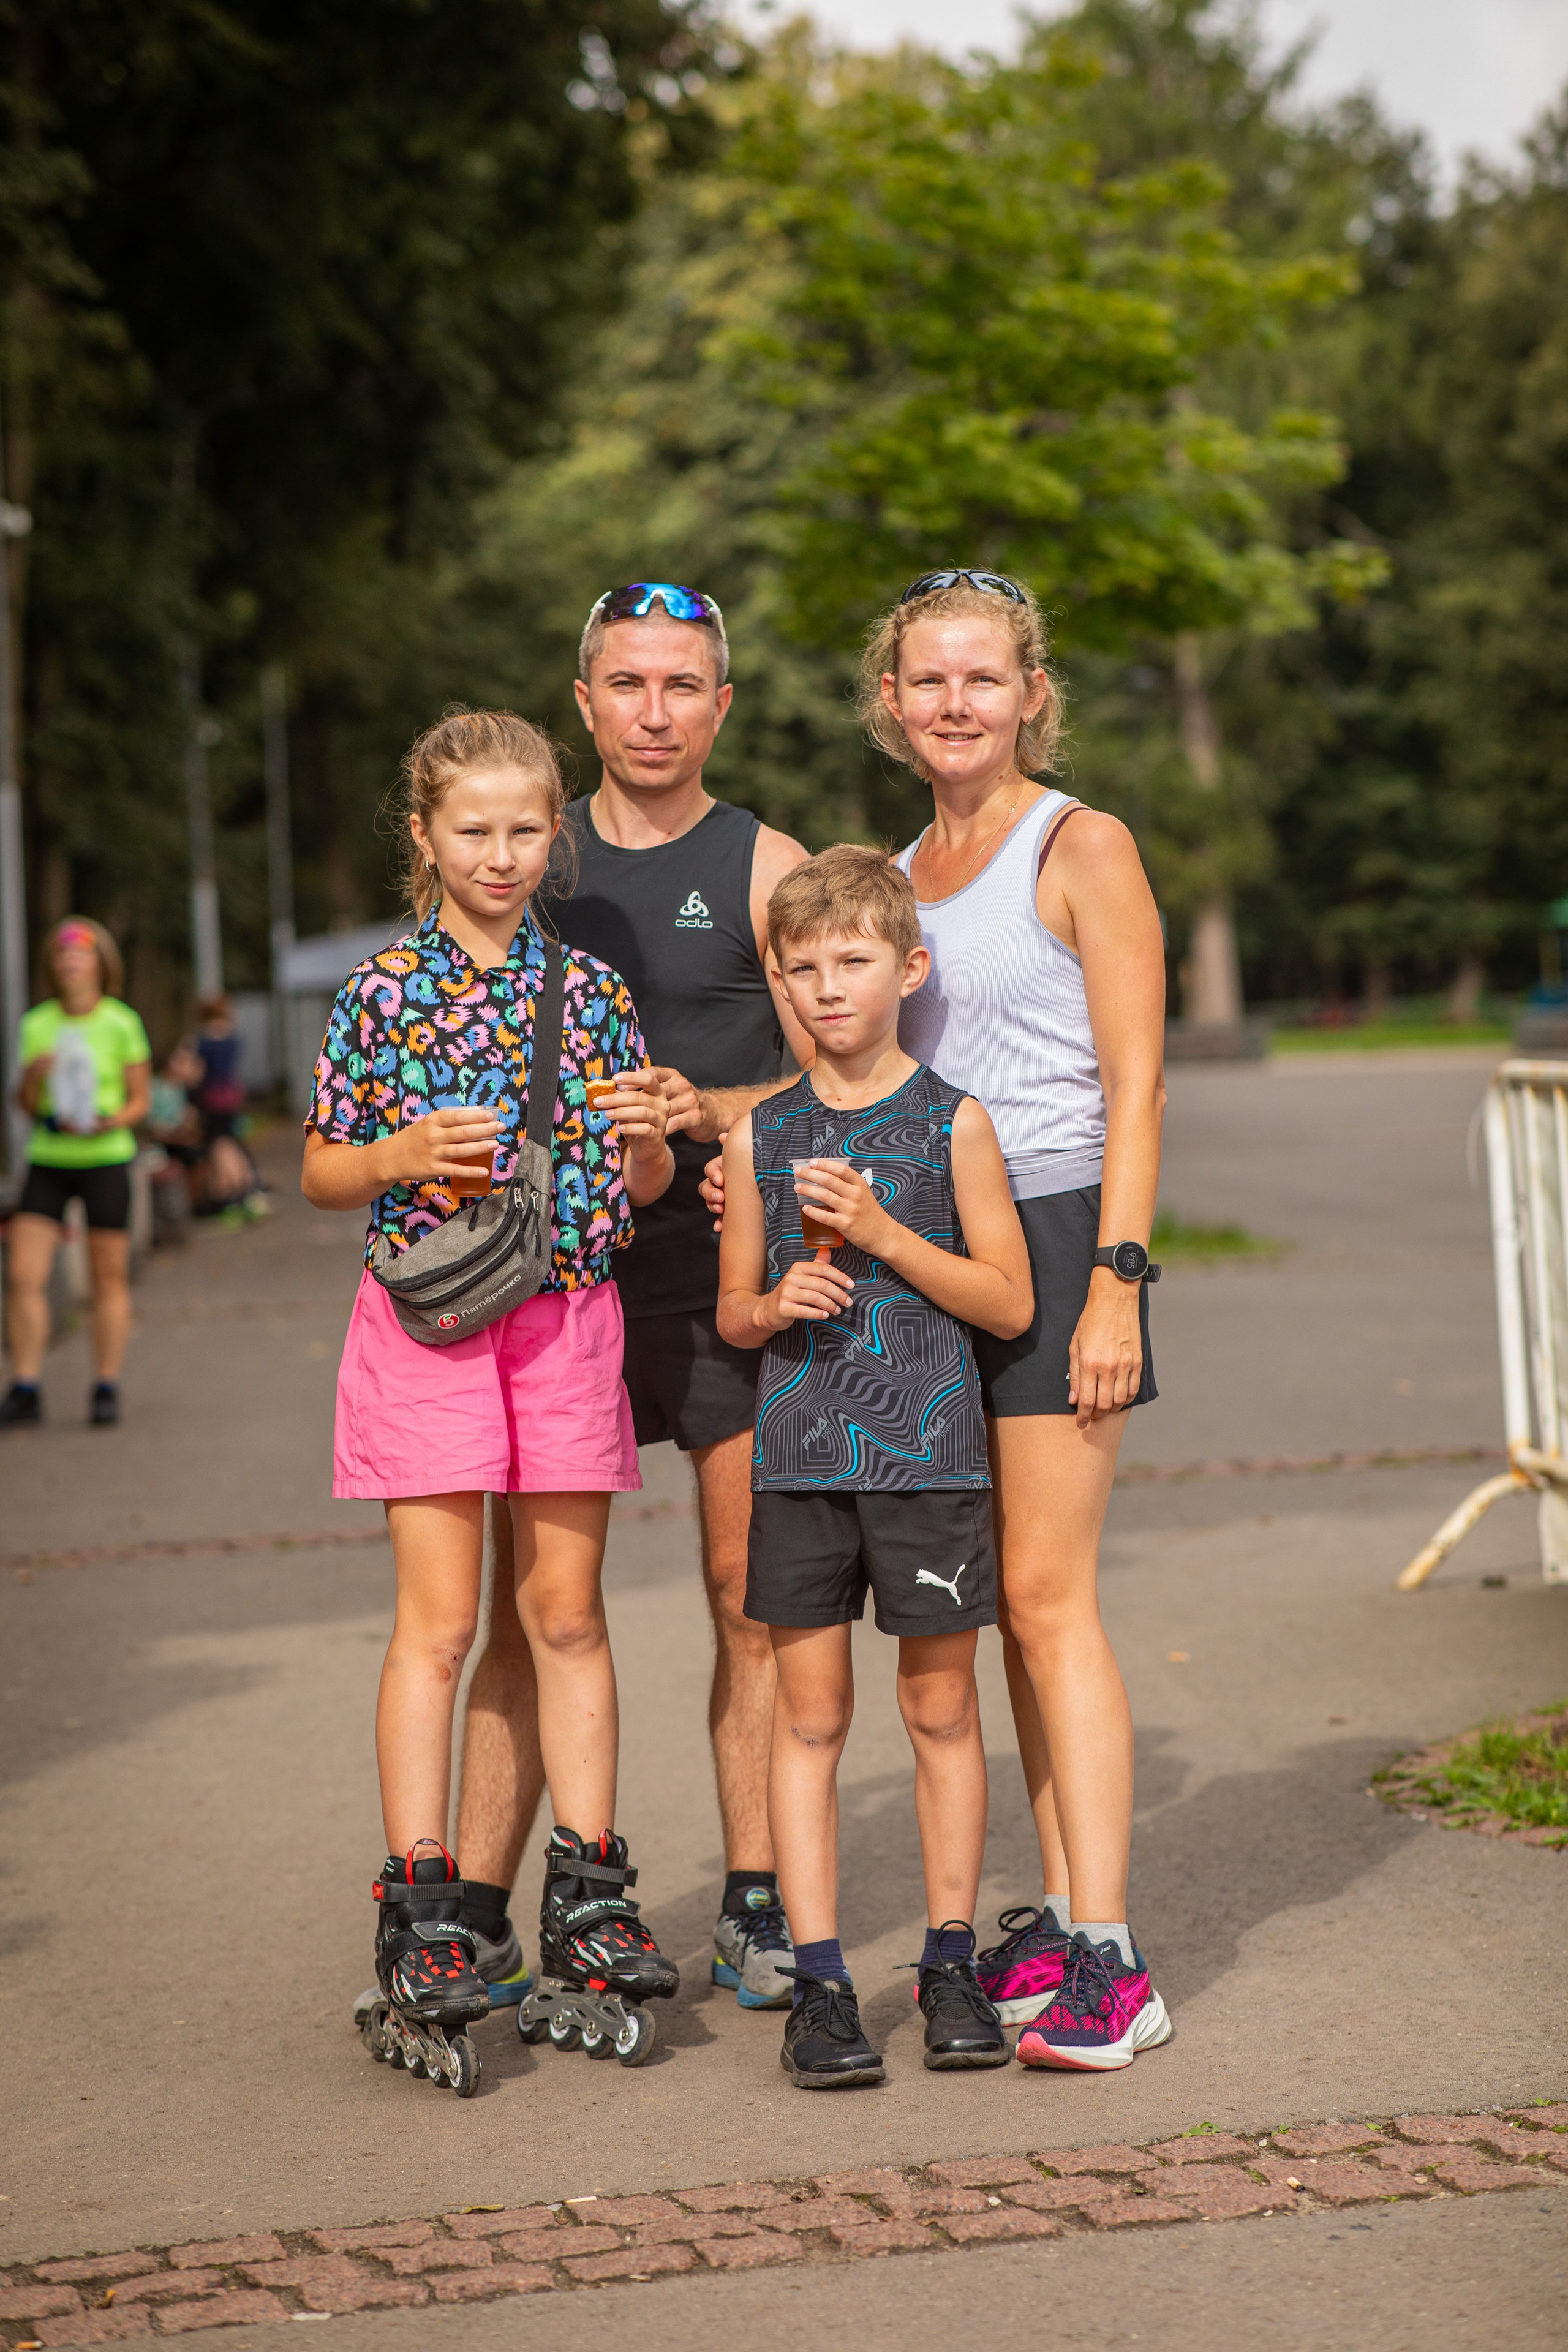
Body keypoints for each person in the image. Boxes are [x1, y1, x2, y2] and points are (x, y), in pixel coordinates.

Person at [303, 707, 679, 2090]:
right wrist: (399, 1152)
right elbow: (322, 1171)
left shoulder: (591, 992)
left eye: (526, 829)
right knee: (443, 1624)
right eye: (474, 831)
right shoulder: (380, 991)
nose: (502, 855)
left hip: (567, 1320)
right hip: (429, 1331)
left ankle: (588, 1891)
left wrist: (649, 1142)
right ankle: (422, 1909)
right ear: (425, 836)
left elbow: (640, 1189)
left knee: (566, 1613)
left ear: (554, 833)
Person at [452, 582, 815, 2016]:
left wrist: (708, 1109)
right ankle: (473, 1915)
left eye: (680, 686)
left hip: (720, 1271)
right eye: (625, 683)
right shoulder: (523, 855)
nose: (652, 712)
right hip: (552, 1278)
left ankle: (754, 1903)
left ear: (720, 704)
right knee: (533, 1609)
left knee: (746, 1596)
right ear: (582, 700)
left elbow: (843, 1073)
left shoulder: (764, 863)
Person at [881, 567, 1172, 2072]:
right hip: (940, 1258)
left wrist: (1117, 1278)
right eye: (929, 679)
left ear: (1028, 694)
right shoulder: (893, 873)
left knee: (1051, 1598)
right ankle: (1059, 1916)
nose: (955, 703)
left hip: (1060, 1243)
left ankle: (1113, 1959)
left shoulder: (1080, 843)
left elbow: (1137, 1082)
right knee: (1000, 1600)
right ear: (890, 702)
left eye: (981, 677)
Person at [717, 846, 1033, 2087]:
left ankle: (950, 1964)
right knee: (809, 1720)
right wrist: (772, 1303)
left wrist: (885, 1233)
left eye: (852, 962)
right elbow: (736, 1312)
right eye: (801, 970)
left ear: (909, 968)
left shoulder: (955, 1122)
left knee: (941, 1711)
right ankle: (821, 1982)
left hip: (930, 1462)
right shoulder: (762, 1132)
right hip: (798, 1463)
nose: (827, 989)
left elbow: (1007, 1302)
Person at [2, 916, 151, 1429]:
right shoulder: (36, 1024)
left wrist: (114, 1120)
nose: (70, 962)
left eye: (81, 953)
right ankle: (26, 1386)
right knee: (23, 1274)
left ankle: (106, 1384)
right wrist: (31, 1077)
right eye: (62, 954)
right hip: (49, 1157)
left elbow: (140, 1100)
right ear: (52, 965)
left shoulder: (121, 1022)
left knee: (108, 1277)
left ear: (100, 964)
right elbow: (24, 1105)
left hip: (105, 1158)